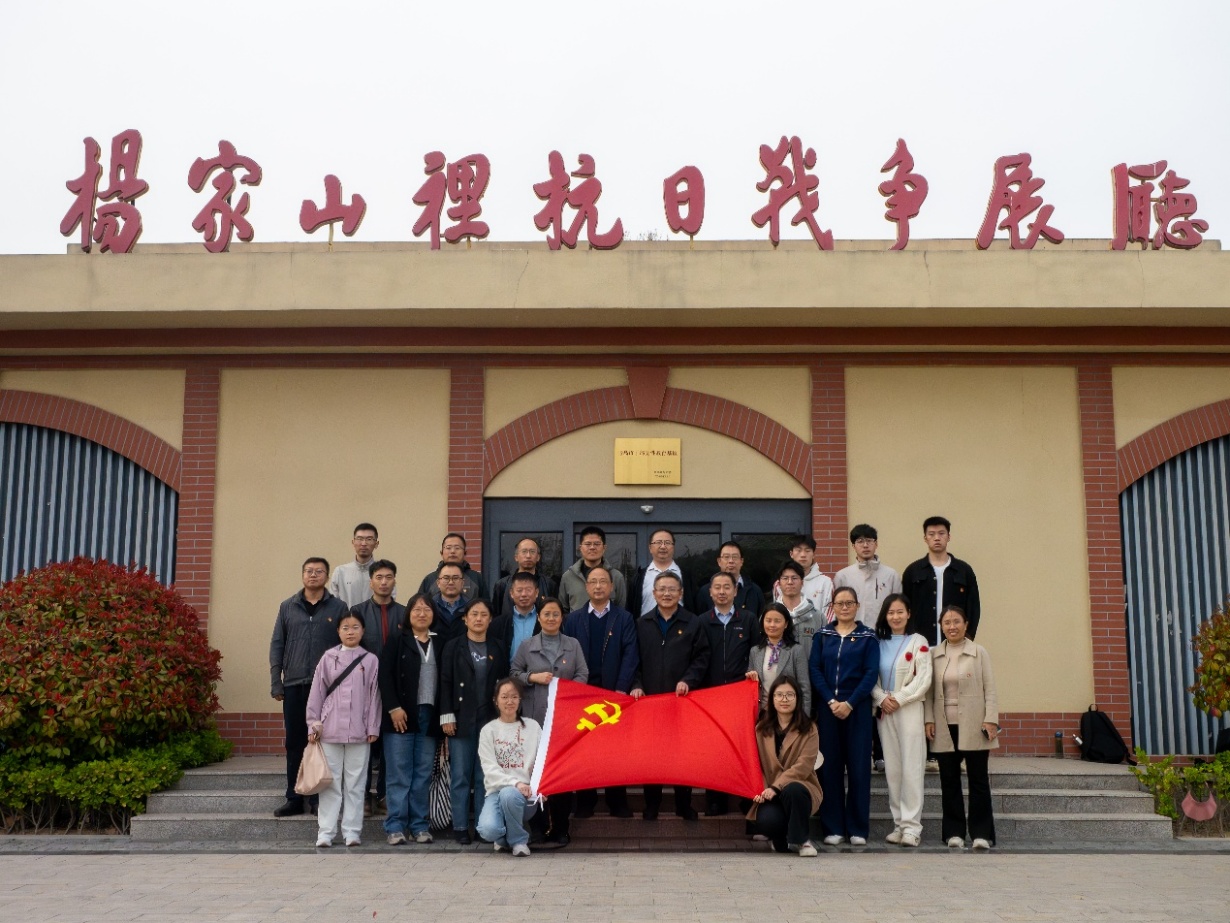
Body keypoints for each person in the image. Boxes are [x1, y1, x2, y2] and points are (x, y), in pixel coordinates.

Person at [269, 557, 349, 818]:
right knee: (295, 742)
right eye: (309, 571)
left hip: (326, 688)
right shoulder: (287, 606)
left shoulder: (338, 607)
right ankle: (294, 797)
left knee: (322, 743)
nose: (313, 575)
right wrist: (276, 681)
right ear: (302, 575)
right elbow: (277, 644)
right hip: (294, 684)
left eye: (319, 571)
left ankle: (317, 799)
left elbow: (346, 647)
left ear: (327, 576)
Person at [631, 571, 710, 821]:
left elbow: (702, 657)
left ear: (681, 593)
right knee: (651, 754)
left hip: (681, 701)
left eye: (672, 589)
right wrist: (636, 684)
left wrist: (689, 680)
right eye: (662, 589)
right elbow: (633, 660)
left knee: (682, 754)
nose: (667, 594)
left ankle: (683, 804)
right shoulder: (642, 623)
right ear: (654, 593)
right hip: (649, 701)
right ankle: (651, 805)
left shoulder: (693, 622)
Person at [562, 566, 639, 819]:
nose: (598, 586)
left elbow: (630, 655)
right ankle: (586, 801)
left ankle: (617, 801)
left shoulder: (624, 618)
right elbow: (567, 656)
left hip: (614, 694)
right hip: (583, 695)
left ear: (611, 587)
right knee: (585, 750)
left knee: (616, 751)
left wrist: (621, 689)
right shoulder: (573, 620)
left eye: (603, 582)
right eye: (593, 582)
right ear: (586, 587)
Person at [510, 597, 588, 845]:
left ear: (561, 618)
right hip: (534, 719)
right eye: (547, 614)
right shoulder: (527, 645)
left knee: (561, 775)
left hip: (563, 721)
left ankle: (561, 829)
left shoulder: (573, 644)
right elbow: (514, 674)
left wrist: (566, 688)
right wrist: (532, 677)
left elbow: (583, 673)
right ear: (539, 618)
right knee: (535, 774)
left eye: (555, 614)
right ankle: (538, 828)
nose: (551, 618)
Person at [809, 585, 878, 846]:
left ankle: (858, 828)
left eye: (850, 603)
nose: (845, 607)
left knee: (859, 768)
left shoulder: (868, 637)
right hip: (828, 709)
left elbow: (870, 673)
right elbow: (815, 669)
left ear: (857, 606)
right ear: (833, 607)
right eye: (840, 603)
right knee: (830, 768)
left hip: (857, 708)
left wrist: (849, 703)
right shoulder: (822, 635)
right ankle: (834, 828)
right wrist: (830, 700)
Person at [925, 604, 999, 850]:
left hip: (975, 723)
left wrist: (991, 719)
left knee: (978, 779)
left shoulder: (979, 652)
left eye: (956, 621)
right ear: (941, 626)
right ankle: (953, 832)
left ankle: (981, 833)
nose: (952, 626)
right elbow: (929, 692)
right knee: (949, 780)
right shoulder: (934, 655)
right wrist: (929, 720)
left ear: (966, 624)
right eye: (946, 622)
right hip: (944, 725)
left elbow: (990, 689)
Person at [305, 611, 381, 848]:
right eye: (345, 627)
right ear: (338, 631)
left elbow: (374, 696)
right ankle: (326, 832)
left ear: (363, 631)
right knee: (330, 783)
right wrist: (313, 723)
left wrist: (373, 725)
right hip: (330, 730)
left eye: (355, 627)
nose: (350, 632)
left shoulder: (370, 660)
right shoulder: (328, 658)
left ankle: (352, 832)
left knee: (356, 785)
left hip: (360, 731)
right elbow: (317, 692)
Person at [439, 598, 509, 844]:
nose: (479, 619)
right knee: (460, 775)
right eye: (474, 614)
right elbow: (445, 681)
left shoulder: (498, 646)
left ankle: (483, 825)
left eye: (484, 615)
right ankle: (460, 826)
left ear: (490, 619)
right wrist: (446, 715)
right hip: (460, 719)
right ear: (465, 619)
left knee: (484, 776)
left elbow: (504, 684)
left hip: (489, 720)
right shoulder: (453, 646)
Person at [378, 593, 441, 846]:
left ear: (433, 614)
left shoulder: (440, 641)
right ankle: (395, 825)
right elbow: (385, 676)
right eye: (416, 609)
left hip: (429, 715)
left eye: (426, 609)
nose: (422, 614)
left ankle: (419, 825)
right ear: (409, 614)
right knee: (399, 773)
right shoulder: (397, 639)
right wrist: (394, 707)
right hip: (402, 714)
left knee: (423, 773)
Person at [871, 594, 932, 848]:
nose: (895, 617)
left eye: (900, 612)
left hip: (908, 709)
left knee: (912, 768)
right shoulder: (877, 642)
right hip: (885, 710)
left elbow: (923, 679)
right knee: (894, 770)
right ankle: (898, 825)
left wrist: (898, 698)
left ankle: (912, 828)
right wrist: (880, 698)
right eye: (890, 612)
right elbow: (870, 676)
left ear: (908, 614)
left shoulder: (919, 641)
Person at [699, 570, 759, 815]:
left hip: (739, 695)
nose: (722, 592)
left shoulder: (749, 619)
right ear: (710, 592)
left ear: (736, 591)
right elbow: (698, 658)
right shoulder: (702, 621)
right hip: (710, 695)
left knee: (742, 747)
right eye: (717, 587)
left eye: (727, 587)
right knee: (714, 750)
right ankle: (715, 800)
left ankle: (746, 798)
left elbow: (756, 653)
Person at [747, 675, 822, 857]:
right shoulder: (761, 729)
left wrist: (776, 786)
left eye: (790, 695)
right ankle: (780, 838)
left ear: (797, 698)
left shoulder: (809, 729)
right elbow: (756, 764)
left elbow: (804, 766)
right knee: (766, 822)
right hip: (770, 790)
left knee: (793, 789)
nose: (784, 699)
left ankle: (802, 841)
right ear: (772, 699)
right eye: (779, 695)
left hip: (801, 786)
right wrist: (760, 788)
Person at [353, 559, 404, 816]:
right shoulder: (357, 612)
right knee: (364, 744)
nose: (384, 582)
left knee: (389, 744)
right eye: (379, 577)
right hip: (365, 688)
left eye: (389, 577)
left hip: (395, 689)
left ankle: (384, 793)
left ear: (394, 581)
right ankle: (363, 796)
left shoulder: (404, 613)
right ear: (371, 581)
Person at [476, 678, 542, 857]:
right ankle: (503, 836)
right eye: (504, 697)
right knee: (487, 830)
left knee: (510, 794)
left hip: (526, 795)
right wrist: (515, 783)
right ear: (496, 700)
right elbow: (490, 770)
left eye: (514, 697)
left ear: (520, 699)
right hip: (496, 793)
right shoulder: (488, 730)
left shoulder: (533, 727)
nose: (509, 701)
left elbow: (543, 760)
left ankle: (519, 841)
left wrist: (542, 786)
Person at [901, 516, 981, 646]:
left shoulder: (964, 571)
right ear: (925, 538)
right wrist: (909, 638)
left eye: (941, 533)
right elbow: (904, 608)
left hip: (955, 644)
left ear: (949, 537)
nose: (937, 538)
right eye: (931, 534)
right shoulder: (913, 571)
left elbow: (973, 609)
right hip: (921, 645)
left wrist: (967, 639)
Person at [746, 602, 812, 717]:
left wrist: (804, 718)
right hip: (763, 713)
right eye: (768, 620)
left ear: (786, 624)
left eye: (777, 621)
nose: (772, 625)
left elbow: (804, 688)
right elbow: (750, 688)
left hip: (789, 714)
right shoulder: (755, 651)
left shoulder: (796, 650)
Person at [834, 524, 902, 629]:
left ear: (876, 544)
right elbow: (837, 610)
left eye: (869, 541)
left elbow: (898, 607)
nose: (865, 545)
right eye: (860, 541)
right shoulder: (843, 576)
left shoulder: (891, 575)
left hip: (883, 634)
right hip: (852, 634)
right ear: (853, 546)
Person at [558, 526, 628, 613]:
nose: (592, 547)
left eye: (597, 544)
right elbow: (563, 609)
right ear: (580, 548)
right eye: (588, 544)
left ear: (604, 548)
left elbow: (621, 608)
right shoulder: (568, 577)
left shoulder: (616, 577)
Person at [629, 528, 698, 615]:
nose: (663, 546)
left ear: (673, 547)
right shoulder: (639, 577)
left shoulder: (686, 576)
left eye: (667, 543)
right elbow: (630, 608)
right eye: (658, 542)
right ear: (650, 548)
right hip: (646, 623)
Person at [694, 541, 765, 617]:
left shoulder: (754, 591)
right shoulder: (705, 592)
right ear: (719, 561)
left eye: (735, 557)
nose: (731, 561)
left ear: (741, 561)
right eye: (726, 557)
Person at [491, 537, 555, 618]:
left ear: (538, 557)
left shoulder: (549, 584)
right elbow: (495, 616)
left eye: (532, 552)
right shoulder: (502, 585)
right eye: (524, 551)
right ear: (516, 557)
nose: (528, 556)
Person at [773, 535, 833, 618]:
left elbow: (830, 614)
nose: (803, 555)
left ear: (813, 554)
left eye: (807, 551)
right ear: (791, 554)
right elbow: (776, 611)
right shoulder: (780, 584)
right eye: (798, 550)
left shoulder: (826, 582)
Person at [775, 560, 823, 664]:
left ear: (802, 582)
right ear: (779, 583)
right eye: (785, 578)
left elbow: (824, 652)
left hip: (809, 673)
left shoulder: (818, 617)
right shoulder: (770, 616)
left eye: (794, 578)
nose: (790, 582)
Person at [419, 532, 488, 603]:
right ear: (441, 553)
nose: (452, 551)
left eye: (457, 548)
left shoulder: (476, 579)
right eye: (448, 548)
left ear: (465, 553)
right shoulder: (430, 579)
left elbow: (486, 606)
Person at [489, 572, 541, 661]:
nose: (524, 594)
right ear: (511, 593)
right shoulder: (499, 624)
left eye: (528, 590)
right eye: (519, 590)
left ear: (536, 593)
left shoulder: (545, 621)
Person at [329, 522, 381, 608]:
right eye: (359, 539)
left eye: (369, 539)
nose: (363, 543)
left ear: (376, 544)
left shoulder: (383, 573)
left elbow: (390, 604)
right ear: (353, 542)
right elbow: (333, 606)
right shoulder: (340, 572)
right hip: (347, 616)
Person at [430, 563, 471, 646]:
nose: (451, 582)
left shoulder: (471, 608)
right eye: (446, 578)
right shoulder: (429, 608)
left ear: (462, 582)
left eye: (455, 578)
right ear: (438, 582)